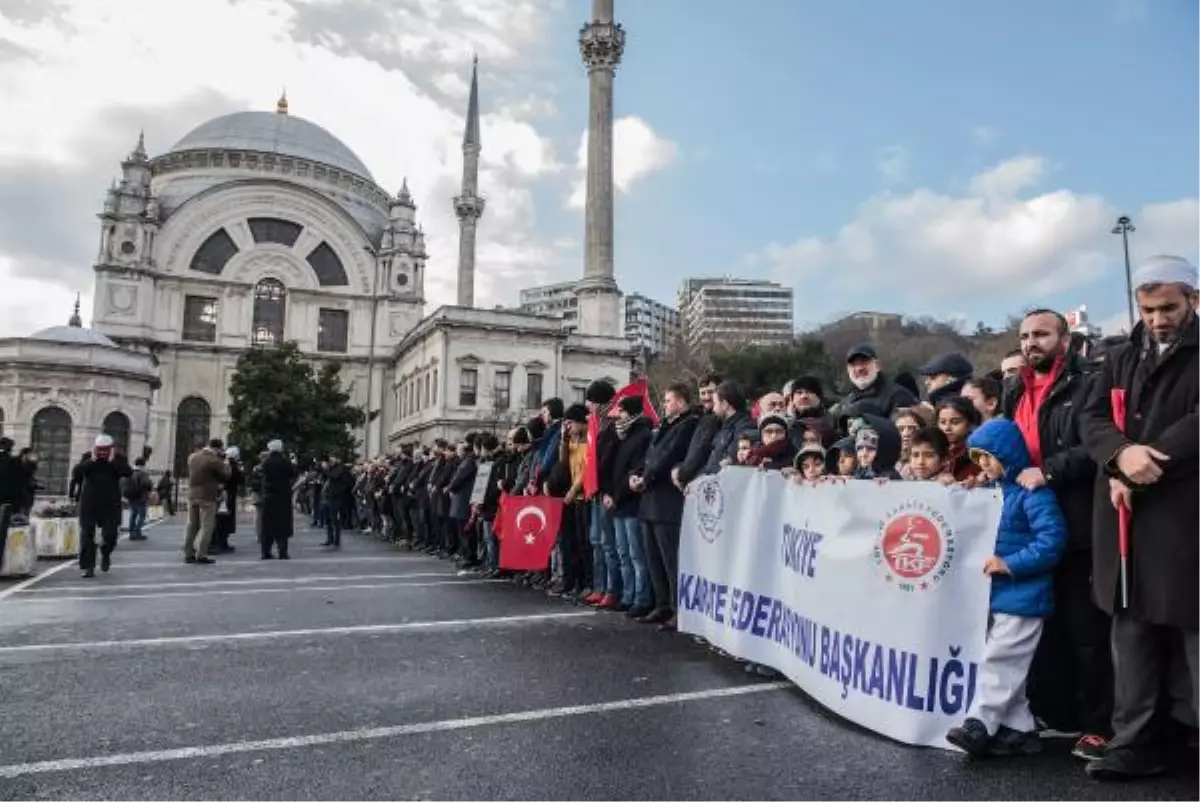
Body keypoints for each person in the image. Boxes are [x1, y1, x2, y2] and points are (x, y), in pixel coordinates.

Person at [1082, 255, 1200, 781]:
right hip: (1125, 515)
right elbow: (1093, 418)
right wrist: (1118, 456)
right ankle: (1134, 741)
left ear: (1193, 300)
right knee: (1130, 630)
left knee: (1192, 626)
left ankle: (1188, 735)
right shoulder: (1119, 355)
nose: (1157, 319)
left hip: (1184, 512)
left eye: (1169, 307)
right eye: (1149, 309)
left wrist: (1141, 460)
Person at [1002, 308, 1111, 761]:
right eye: (1026, 335)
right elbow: (1006, 447)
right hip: (1031, 527)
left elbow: (1099, 447)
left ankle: (1101, 725)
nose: (1032, 342)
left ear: (1065, 340)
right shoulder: (1013, 389)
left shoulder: (1089, 382)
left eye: (1042, 334)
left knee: (1088, 631)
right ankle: (1059, 713)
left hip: (1080, 522)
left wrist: (1048, 471)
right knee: (1044, 629)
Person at [945, 418, 1067, 758]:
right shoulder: (993, 493)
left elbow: (1052, 541)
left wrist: (1010, 563)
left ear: (1008, 453)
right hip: (1002, 596)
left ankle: (978, 724)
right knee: (1008, 664)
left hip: (1025, 597)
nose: (982, 464)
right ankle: (1021, 730)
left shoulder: (1033, 494)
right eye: (978, 458)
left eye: (988, 457)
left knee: (1000, 660)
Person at [632, 383, 698, 630]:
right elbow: (649, 456)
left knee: (671, 559)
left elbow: (669, 456)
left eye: (669, 400)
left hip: (667, 501)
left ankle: (677, 608)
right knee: (653, 557)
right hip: (650, 499)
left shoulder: (688, 424)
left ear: (681, 401)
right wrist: (636, 474)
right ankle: (661, 603)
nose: (665, 404)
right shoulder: (664, 427)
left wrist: (646, 477)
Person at [77, 434, 132, 578]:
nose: (102, 453)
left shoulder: (118, 458)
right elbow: (76, 473)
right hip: (90, 501)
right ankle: (88, 566)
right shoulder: (87, 457)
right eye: (99, 449)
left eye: (105, 450)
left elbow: (127, 472)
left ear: (111, 449)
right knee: (87, 534)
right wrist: (92, 460)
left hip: (110, 503)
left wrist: (112, 460)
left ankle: (105, 552)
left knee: (111, 534)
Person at [840, 344, 920, 419]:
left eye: (864, 362)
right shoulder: (846, 402)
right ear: (848, 370)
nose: (859, 369)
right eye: (853, 365)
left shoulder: (898, 396)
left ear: (877, 365)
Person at [185, 439, 231, 565]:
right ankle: (201, 554)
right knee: (207, 526)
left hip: (192, 494)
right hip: (207, 496)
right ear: (218, 448)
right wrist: (226, 463)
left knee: (192, 525)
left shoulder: (193, 457)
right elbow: (226, 475)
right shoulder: (213, 460)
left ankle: (188, 553)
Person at [259, 439, 295, 559]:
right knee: (283, 526)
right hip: (283, 497)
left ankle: (265, 552)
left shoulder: (266, 462)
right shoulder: (285, 462)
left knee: (267, 526)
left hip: (269, 497)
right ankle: (283, 552)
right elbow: (292, 474)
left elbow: (262, 477)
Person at [212, 447, 242, 554]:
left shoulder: (226, 466)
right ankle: (222, 542)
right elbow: (239, 479)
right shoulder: (231, 467)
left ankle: (222, 542)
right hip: (227, 496)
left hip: (226, 496)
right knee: (225, 520)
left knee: (224, 520)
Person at [123, 457, 154, 541]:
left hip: (131, 497)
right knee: (142, 516)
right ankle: (137, 532)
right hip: (140, 497)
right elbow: (147, 484)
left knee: (133, 514)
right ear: (143, 464)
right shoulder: (142, 473)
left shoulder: (131, 472)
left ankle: (131, 532)